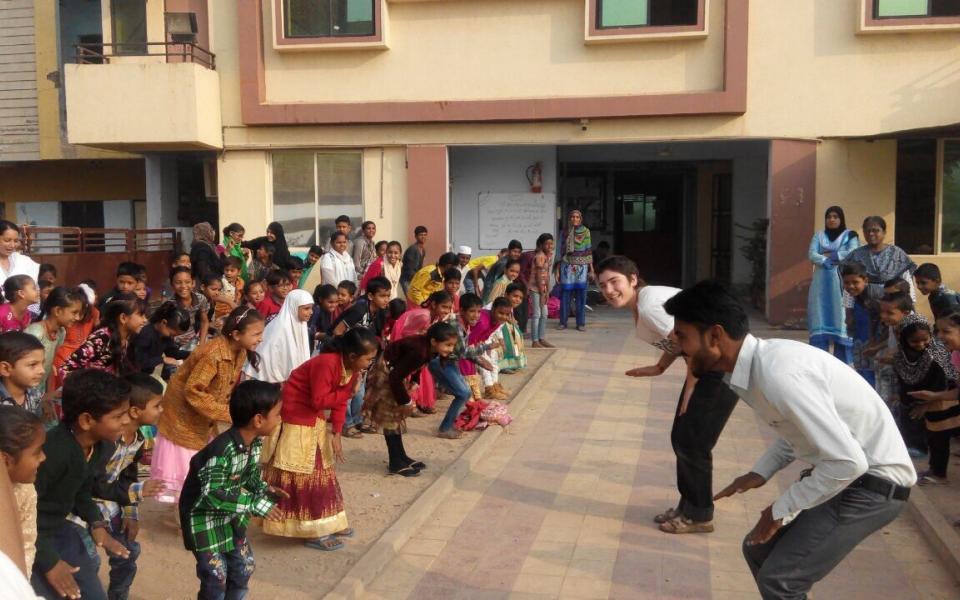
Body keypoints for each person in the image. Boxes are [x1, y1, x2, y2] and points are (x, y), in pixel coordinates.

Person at [663, 280, 915, 600]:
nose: (675, 343)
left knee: (780, 579)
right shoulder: (754, 368)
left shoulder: (778, 373)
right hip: (854, 478)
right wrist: (761, 471)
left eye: (682, 335)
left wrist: (781, 508)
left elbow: (848, 461)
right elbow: (802, 430)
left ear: (715, 335)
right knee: (759, 551)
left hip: (873, 486)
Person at [597, 256, 739, 534]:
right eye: (602, 286)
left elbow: (695, 348)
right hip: (708, 367)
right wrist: (660, 367)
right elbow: (677, 342)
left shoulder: (650, 305)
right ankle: (688, 506)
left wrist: (689, 391)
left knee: (692, 442)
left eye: (615, 282)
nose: (609, 290)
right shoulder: (643, 305)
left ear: (633, 279)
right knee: (682, 438)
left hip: (721, 367)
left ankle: (699, 515)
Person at [261, 328, 378, 550]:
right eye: (368, 359)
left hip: (313, 418)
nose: (370, 363)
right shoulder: (327, 363)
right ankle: (312, 530)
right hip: (296, 416)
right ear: (353, 356)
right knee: (306, 474)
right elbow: (320, 400)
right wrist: (349, 393)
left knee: (324, 471)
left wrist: (337, 432)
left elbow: (339, 402)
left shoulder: (350, 368)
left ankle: (329, 521)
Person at [178, 380, 284, 600]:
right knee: (216, 578)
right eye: (277, 414)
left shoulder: (254, 443)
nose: (280, 419)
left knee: (243, 568)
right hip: (205, 523)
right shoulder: (221, 450)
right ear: (258, 419)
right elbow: (212, 494)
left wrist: (265, 489)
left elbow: (251, 476)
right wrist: (255, 504)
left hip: (231, 518)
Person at [32, 370, 133, 600]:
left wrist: (96, 523)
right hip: (31, 535)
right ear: (87, 420)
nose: (126, 421)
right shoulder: (51, 453)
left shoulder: (99, 447)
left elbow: (82, 492)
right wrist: (49, 562)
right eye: (118, 416)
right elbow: (20, 513)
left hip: (57, 530)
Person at [152, 307, 265, 506]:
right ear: (236, 334)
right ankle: (185, 511)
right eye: (256, 334)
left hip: (204, 414)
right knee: (186, 463)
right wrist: (228, 413)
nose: (260, 339)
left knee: (199, 459)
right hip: (183, 413)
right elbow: (193, 391)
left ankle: (187, 504)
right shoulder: (213, 354)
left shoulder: (239, 351)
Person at [76, 373, 165, 600]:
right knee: (88, 561)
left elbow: (128, 475)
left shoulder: (137, 439)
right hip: (81, 509)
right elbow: (93, 484)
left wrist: (130, 512)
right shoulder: (106, 441)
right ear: (135, 411)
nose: (161, 411)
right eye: (157, 406)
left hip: (110, 505)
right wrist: (137, 492)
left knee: (129, 553)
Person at [363, 322, 458, 477]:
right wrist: (405, 402)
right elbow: (395, 376)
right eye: (447, 345)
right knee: (391, 418)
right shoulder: (420, 351)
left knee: (396, 418)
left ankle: (401, 457)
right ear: (434, 341)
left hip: (394, 373)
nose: (451, 349)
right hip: (386, 373)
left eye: (453, 345)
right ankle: (395, 462)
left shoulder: (429, 349)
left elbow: (416, 365)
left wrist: (415, 379)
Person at [893, 315, 958, 485]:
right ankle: (934, 469)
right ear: (904, 339)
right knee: (933, 437)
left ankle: (939, 473)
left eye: (925, 339)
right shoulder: (902, 355)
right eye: (915, 341)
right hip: (925, 400)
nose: (921, 344)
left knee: (939, 438)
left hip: (944, 401)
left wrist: (929, 403)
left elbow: (946, 381)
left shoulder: (938, 352)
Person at [807, 206, 860, 363]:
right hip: (820, 285)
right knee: (819, 314)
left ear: (841, 219)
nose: (831, 219)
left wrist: (835, 255)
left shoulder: (850, 235)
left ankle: (842, 363)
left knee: (840, 314)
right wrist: (825, 259)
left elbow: (853, 252)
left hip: (841, 282)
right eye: (828, 216)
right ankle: (819, 362)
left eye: (835, 216)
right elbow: (811, 254)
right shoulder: (819, 235)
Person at [0, 405, 45, 578]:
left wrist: (20, 586)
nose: (43, 457)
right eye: (37, 452)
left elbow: (26, 545)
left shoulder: (25, 491)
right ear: (5, 460)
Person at [61, 296, 146, 378]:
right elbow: (66, 369)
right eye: (141, 315)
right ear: (123, 318)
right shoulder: (101, 339)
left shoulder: (127, 338)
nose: (145, 320)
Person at [841, 215, 916, 301]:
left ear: (884, 232)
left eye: (876, 230)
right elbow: (850, 284)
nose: (871, 234)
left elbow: (907, 281)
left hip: (892, 304)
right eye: (867, 231)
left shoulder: (897, 254)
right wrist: (849, 309)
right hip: (864, 304)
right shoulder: (856, 255)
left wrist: (909, 303)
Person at [25, 287, 82, 400]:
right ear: (57, 311)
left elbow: (50, 365)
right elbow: (22, 369)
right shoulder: (36, 333)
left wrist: (48, 396)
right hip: (25, 391)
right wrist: (41, 398)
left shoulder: (61, 333)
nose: (77, 317)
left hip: (39, 391)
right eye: (74, 312)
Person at [246, 289, 313, 383]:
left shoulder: (301, 323)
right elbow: (266, 356)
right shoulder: (281, 326)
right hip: (271, 382)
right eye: (306, 308)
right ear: (293, 307)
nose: (311, 312)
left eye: (311, 308)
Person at [52, 285, 98, 391]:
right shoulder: (64, 322)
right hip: (61, 362)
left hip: (81, 362)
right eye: (75, 312)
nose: (77, 316)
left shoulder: (93, 314)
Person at [556, 210, 593, 332]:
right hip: (567, 266)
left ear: (581, 219)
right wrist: (557, 270)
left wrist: (591, 269)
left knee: (581, 296)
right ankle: (563, 322)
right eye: (572, 216)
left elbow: (588, 250)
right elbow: (559, 252)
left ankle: (580, 323)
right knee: (565, 295)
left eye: (577, 217)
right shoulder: (564, 232)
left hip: (582, 268)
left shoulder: (586, 231)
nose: (574, 219)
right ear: (569, 218)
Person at [132, 302, 191, 379]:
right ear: (164, 322)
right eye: (172, 334)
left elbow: (173, 353)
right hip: (135, 374)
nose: (173, 337)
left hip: (147, 372)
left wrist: (192, 354)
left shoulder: (165, 336)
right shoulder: (146, 333)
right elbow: (140, 361)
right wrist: (162, 359)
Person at [841, 263, 878, 386]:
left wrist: (874, 344)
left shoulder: (872, 300)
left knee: (872, 380)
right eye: (846, 283)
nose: (850, 286)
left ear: (865, 280)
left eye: (855, 282)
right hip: (859, 344)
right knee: (862, 378)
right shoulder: (856, 298)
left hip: (873, 346)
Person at [0, 332, 45, 418]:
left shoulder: (35, 394)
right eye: (33, 365)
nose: (42, 370)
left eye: (42, 363)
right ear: (5, 369)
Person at [169, 266, 210, 352]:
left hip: (193, 340)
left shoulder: (200, 299)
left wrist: (201, 343)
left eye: (187, 282)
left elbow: (204, 321)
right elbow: (164, 329)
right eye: (178, 282)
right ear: (172, 285)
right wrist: (175, 339)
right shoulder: (170, 305)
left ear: (193, 283)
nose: (183, 286)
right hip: (174, 344)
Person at [528, 233, 555, 348]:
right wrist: (541, 292)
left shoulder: (548, 256)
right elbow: (539, 276)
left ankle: (541, 338)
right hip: (536, 289)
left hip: (543, 289)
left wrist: (547, 290)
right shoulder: (540, 256)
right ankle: (535, 340)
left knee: (545, 314)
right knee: (537, 314)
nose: (549, 246)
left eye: (551, 243)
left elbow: (547, 275)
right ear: (541, 245)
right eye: (546, 244)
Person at [0, 220, 40, 291]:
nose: (12, 245)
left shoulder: (24, 261)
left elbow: (36, 289)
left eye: (15, 241)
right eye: (7, 240)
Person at [309, 284, 339, 353]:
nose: (334, 305)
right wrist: (319, 335)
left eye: (336, 302)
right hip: (312, 344)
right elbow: (310, 329)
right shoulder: (316, 310)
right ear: (320, 299)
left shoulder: (327, 311)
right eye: (330, 302)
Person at [400, 226, 428, 295]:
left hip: (415, 279)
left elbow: (420, 267)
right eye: (421, 235)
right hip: (407, 279)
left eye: (425, 235)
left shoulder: (423, 249)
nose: (423, 237)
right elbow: (409, 269)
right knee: (411, 300)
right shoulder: (413, 249)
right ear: (416, 236)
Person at [218, 256, 245, 323]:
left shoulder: (241, 282)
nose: (229, 273)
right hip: (220, 314)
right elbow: (214, 296)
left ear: (239, 272)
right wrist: (230, 302)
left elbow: (241, 297)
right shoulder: (220, 282)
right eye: (226, 270)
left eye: (232, 270)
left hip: (235, 313)